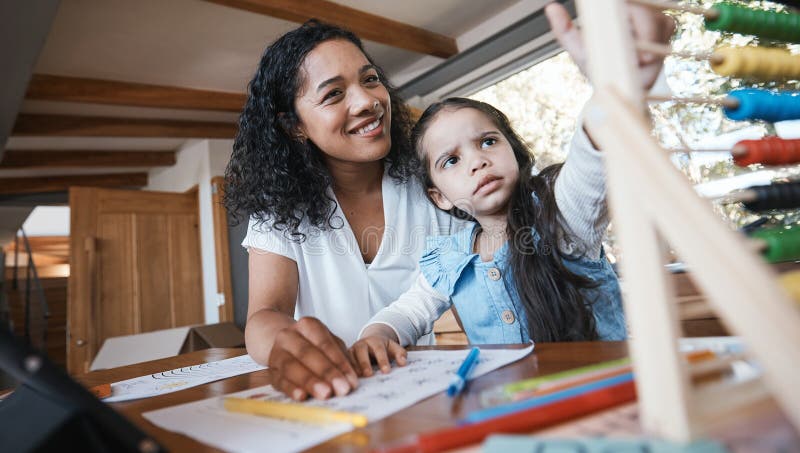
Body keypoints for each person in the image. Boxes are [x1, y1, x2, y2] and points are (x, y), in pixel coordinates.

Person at [224, 3, 674, 400]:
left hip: (425, 392)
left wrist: (613, 100)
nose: (366, 101)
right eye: (333, 94)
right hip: (343, 396)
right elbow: (268, 315)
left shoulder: (447, 195)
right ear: (295, 126)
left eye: (371, 79)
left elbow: (587, 177)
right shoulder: (281, 211)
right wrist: (298, 344)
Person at [349, 97, 624, 376]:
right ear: (440, 197)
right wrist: (377, 334)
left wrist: (606, 104)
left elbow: (590, 165)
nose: (478, 161)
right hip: (517, 404)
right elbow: (409, 312)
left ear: (514, 151)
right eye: (452, 160)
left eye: (488, 142)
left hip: (609, 395)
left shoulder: (562, 217)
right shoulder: (450, 259)